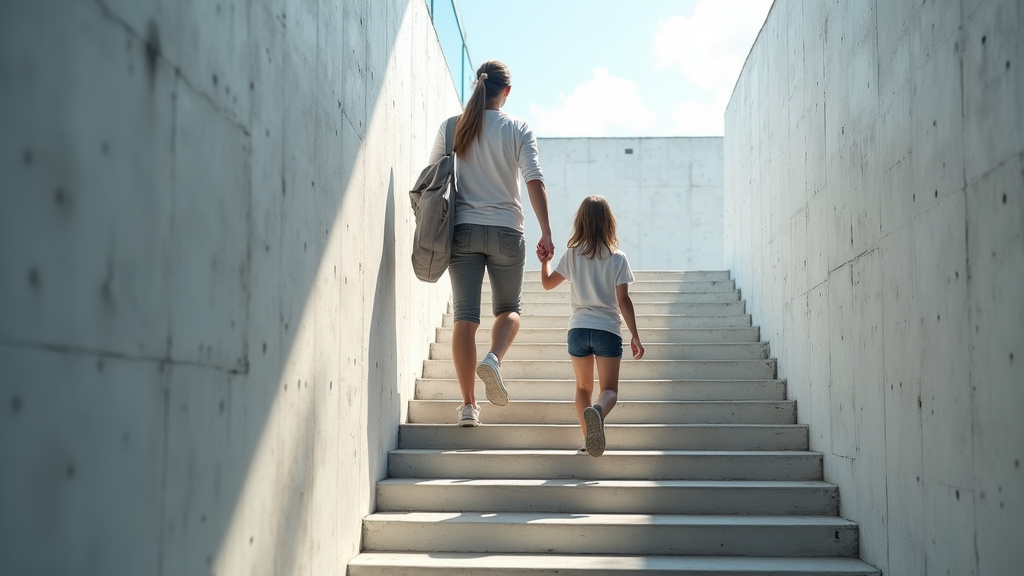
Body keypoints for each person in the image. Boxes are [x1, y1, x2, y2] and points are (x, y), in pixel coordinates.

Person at [427, 60, 554, 427]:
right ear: (507, 92)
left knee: (465, 320)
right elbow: (534, 179)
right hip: (507, 232)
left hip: (462, 231)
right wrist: (545, 231)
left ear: (477, 85)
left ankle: (468, 407)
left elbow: (431, 180)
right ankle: (494, 359)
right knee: (509, 309)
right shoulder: (518, 128)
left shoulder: (453, 127)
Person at [537, 195, 644, 456]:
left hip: (578, 329)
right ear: (609, 222)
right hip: (607, 329)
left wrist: (544, 262)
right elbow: (623, 300)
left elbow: (548, 284)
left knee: (583, 388)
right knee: (609, 391)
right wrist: (635, 336)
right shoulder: (618, 258)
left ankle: (589, 439)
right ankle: (597, 412)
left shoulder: (573, 255)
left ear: (581, 222)